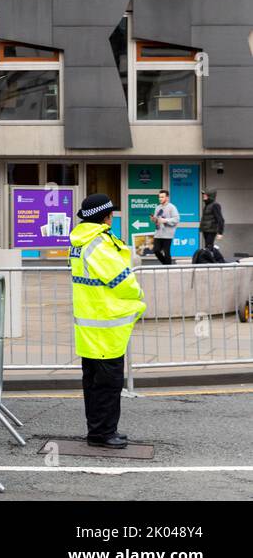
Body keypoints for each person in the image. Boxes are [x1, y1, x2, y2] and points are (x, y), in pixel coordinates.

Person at [70, 193, 147, 449]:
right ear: (106, 217)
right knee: (108, 385)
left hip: (90, 325)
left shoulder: (81, 240)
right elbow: (121, 281)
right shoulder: (99, 244)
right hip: (107, 325)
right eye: (111, 213)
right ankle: (103, 434)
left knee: (93, 384)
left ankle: (99, 430)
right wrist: (138, 294)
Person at [151, 189, 180, 265]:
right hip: (158, 233)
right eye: (159, 197)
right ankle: (166, 264)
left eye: (162, 197)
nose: (160, 199)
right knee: (156, 250)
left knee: (166, 252)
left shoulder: (172, 207)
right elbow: (158, 220)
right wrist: (154, 219)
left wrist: (165, 220)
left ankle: (167, 267)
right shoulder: (157, 207)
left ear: (167, 198)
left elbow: (176, 219)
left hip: (167, 234)